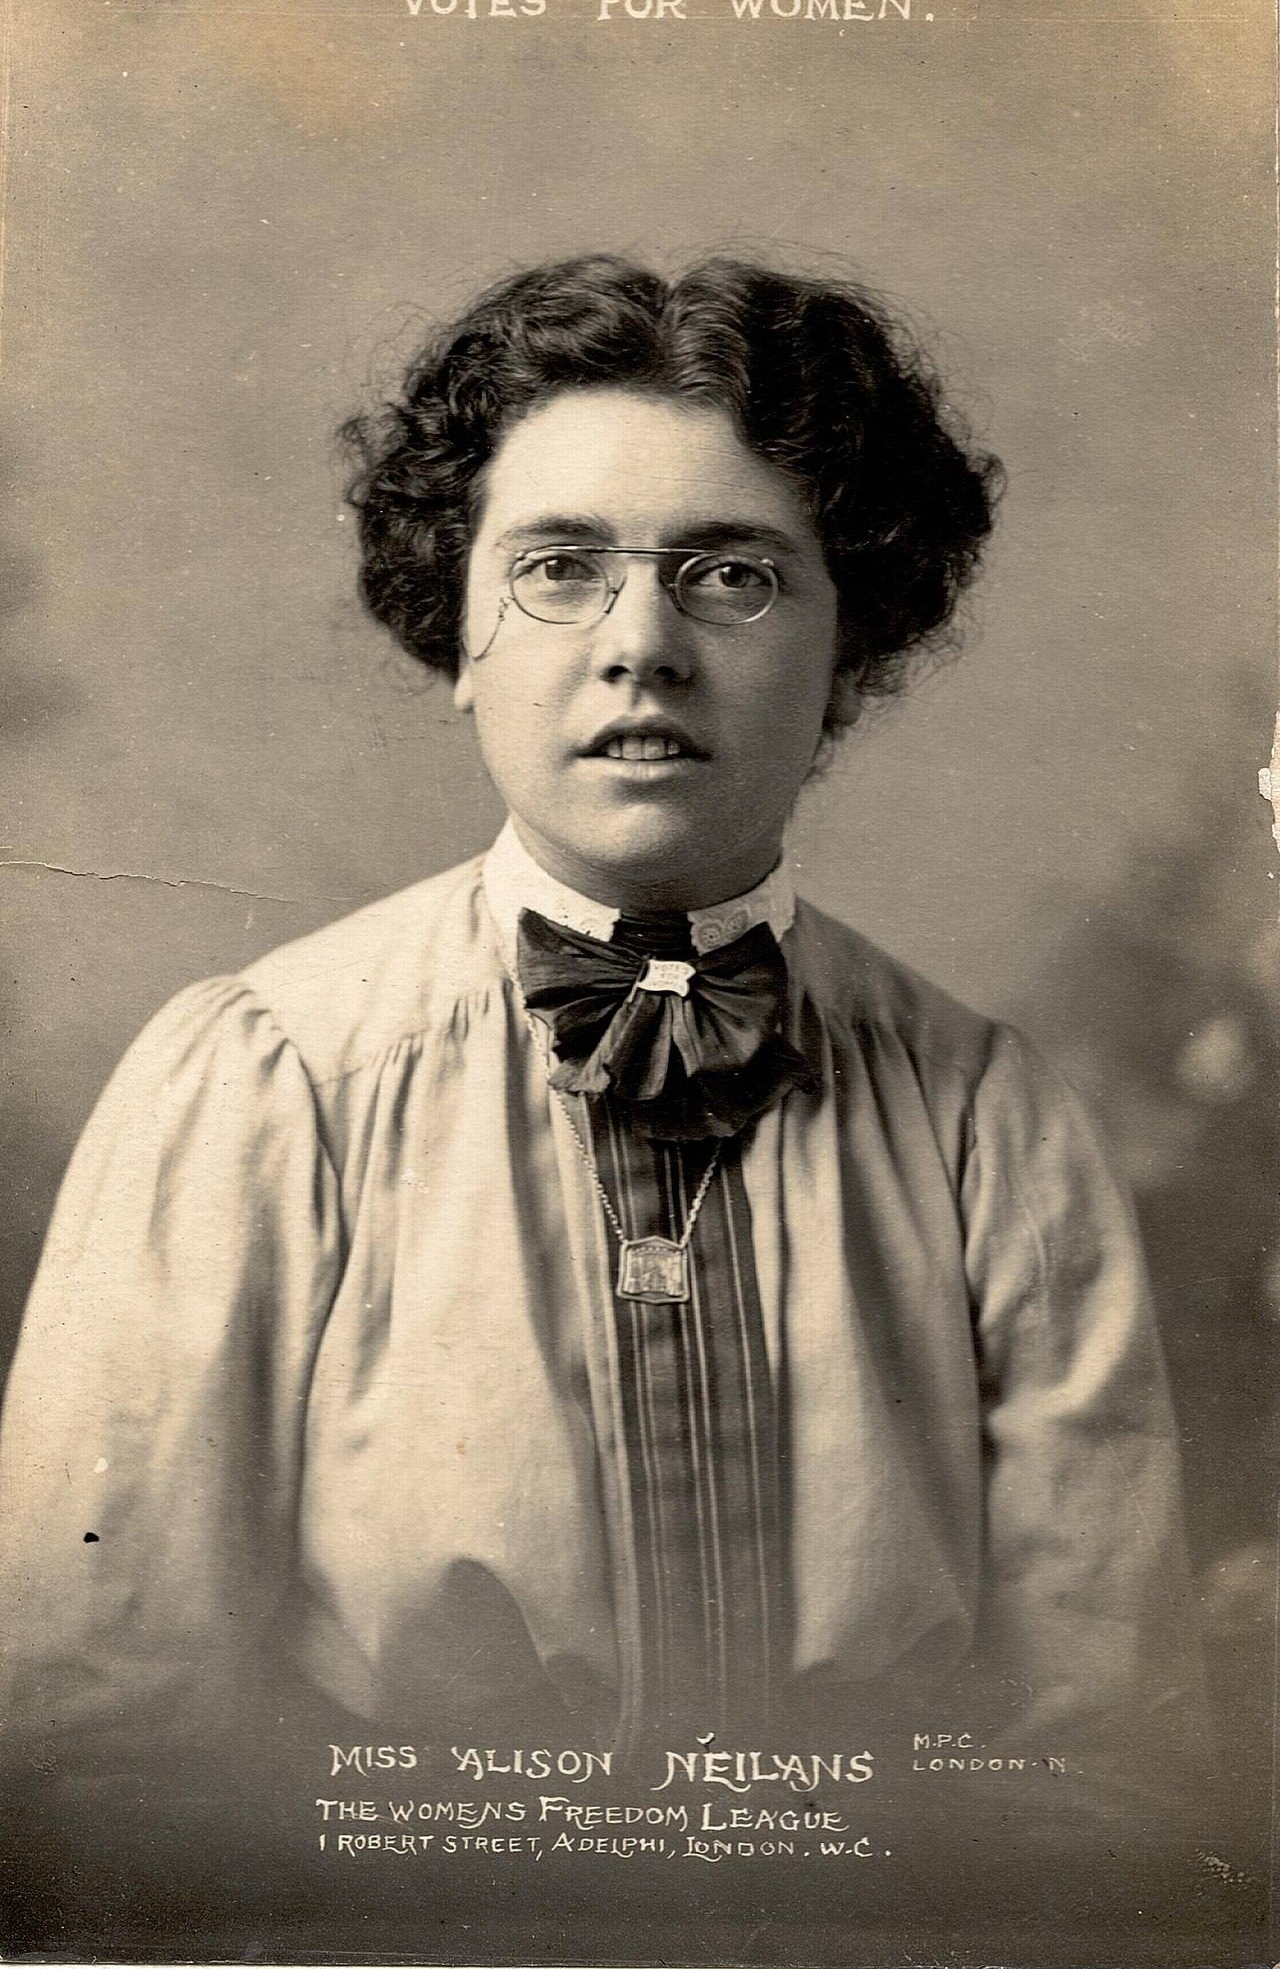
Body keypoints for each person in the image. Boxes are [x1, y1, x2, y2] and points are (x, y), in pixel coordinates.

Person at [0, 256, 1204, 1845]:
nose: (644, 644)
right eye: (559, 567)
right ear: (458, 638)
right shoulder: (265, 1083)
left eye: (735, 574)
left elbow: (1112, 1771)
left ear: (851, 644)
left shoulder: (984, 1116)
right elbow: (98, 1757)